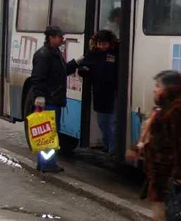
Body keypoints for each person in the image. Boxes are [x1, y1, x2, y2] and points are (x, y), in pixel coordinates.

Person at [126, 70, 181, 221]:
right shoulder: (165, 110)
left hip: (170, 183)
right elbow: (152, 138)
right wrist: (137, 149)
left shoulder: (180, 112)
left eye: (158, 86)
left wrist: (180, 177)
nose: (155, 89)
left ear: (169, 89)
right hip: (162, 181)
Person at [29, 25, 81, 173]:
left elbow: (62, 71)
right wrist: (39, 96)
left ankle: (44, 163)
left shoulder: (54, 53)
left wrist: (76, 62)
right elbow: (37, 78)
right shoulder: (44, 55)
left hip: (53, 99)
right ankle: (47, 164)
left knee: (48, 133)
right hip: (49, 100)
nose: (62, 39)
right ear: (51, 38)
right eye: (60, 37)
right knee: (49, 134)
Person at [77, 30, 119, 156]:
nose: (101, 46)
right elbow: (83, 69)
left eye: (104, 44)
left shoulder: (116, 53)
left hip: (113, 93)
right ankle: (106, 145)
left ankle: (112, 150)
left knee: (112, 123)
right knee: (102, 122)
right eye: (100, 43)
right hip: (99, 93)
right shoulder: (93, 54)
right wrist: (83, 70)